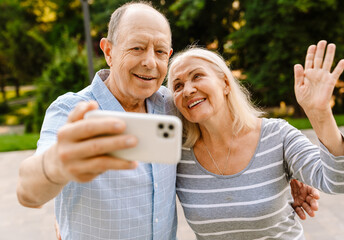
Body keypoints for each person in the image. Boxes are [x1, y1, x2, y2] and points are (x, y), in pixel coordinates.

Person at [16, 1, 319, 239]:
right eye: (136, 48)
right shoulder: (70, 110)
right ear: (108, 51)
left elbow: (227, 132)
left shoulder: (173, 105)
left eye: (160, 51)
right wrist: (56, 165)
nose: (150, 61)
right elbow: (28, 191)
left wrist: (284, 171)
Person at [167, 41, 344, 239]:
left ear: (225, 83)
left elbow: (343, 182)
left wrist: (320, 114)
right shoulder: (177, 155)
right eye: (178, 86)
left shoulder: (277, 135)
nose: (188, 90)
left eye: (197, 76)